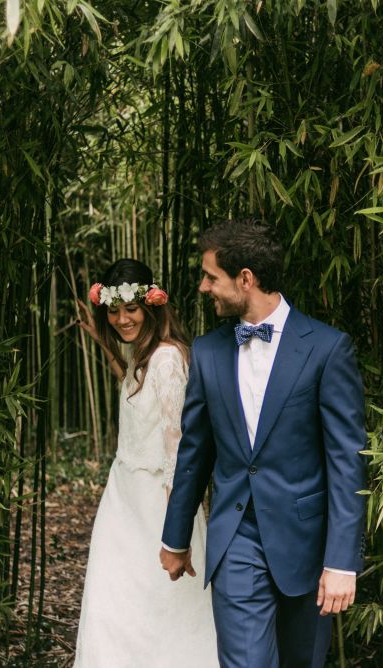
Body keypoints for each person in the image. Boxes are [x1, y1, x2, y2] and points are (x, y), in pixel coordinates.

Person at [160, 220, 367, 668]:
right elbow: (195, 453)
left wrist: (342, 562)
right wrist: (176, 538)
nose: (203, 287)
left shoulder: (327, 349)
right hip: (236, 539)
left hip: (308, 546)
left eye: (211, 276)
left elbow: (347, 463)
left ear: (246, 279)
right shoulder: (209, 352)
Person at [74, 258, 218, 667]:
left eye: (131, 309)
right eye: (114, 311)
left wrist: (178, 526)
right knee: (120, 603)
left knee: (159, 606)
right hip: (125, 499)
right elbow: (137, 393)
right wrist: (104, 346)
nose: (121, 319)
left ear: (151, 307)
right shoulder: (144, 355)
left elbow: (179, 443)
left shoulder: (169, 359)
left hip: (156, 500)